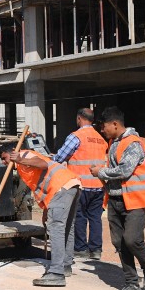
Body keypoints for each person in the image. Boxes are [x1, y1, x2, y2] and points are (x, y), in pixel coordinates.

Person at [90, 107, 145, 290]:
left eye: (103, 126)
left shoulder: (133, 143)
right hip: (115, 199)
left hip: (135, 200)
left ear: (115, 124)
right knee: (120, 243)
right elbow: (116, 169)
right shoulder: (114, 143)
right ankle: (131, 284)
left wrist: (100, 172)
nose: (102, 130)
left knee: (132, 239)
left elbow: (124, 170)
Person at [0, 141, 81, 287]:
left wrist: (19, 159)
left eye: (4, 158)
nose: (3, 162)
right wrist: (46, 210)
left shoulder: (24, 155)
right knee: (67, 227)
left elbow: (43, 164)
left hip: (60, 187)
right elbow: (42, 184)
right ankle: (65, 265)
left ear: (12, 152)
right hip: (70, 185)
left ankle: (56, 273)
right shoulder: (24, 161)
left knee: (56, 229)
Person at [52, 108, 108, 260]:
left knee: (79, 216)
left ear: (79, 118)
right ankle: (96, 250)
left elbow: (60, 157)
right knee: (95, 218)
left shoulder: (76, 136)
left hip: (81, 184)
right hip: (98, 185)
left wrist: (49, 159)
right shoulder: (101, 139)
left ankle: (81, 248)